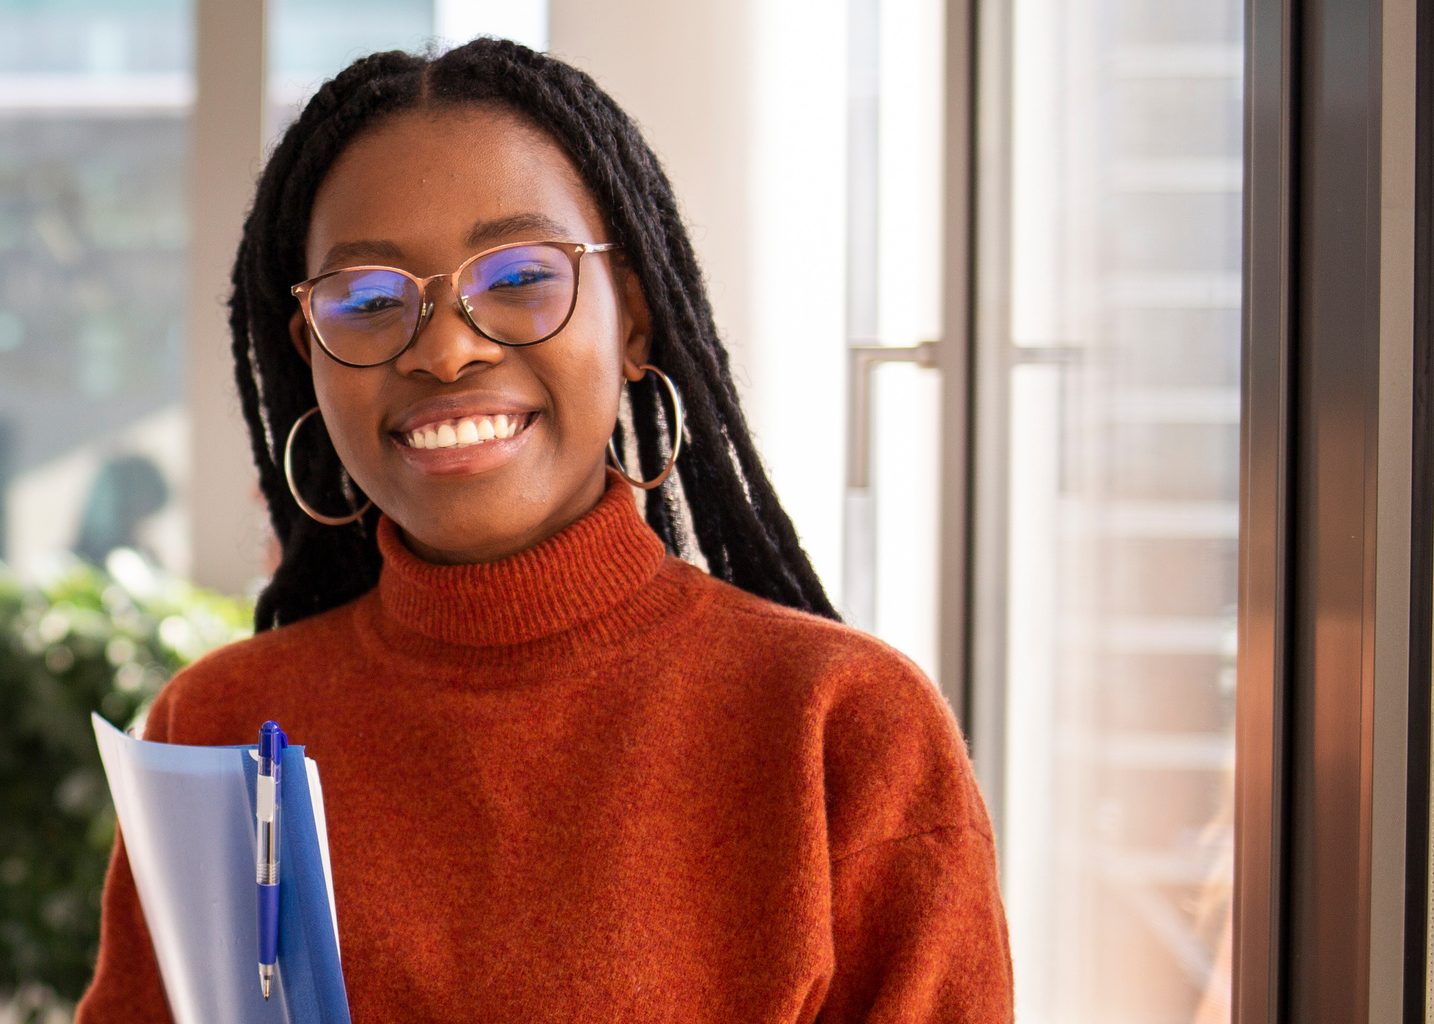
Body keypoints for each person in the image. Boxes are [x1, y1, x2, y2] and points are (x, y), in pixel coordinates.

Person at [76, 39, 1011, 1023]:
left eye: (520, 276)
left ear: (634, 318)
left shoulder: (842, 728)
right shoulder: (218, 730)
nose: (444, 348)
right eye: (366, 299)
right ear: (308, 352)